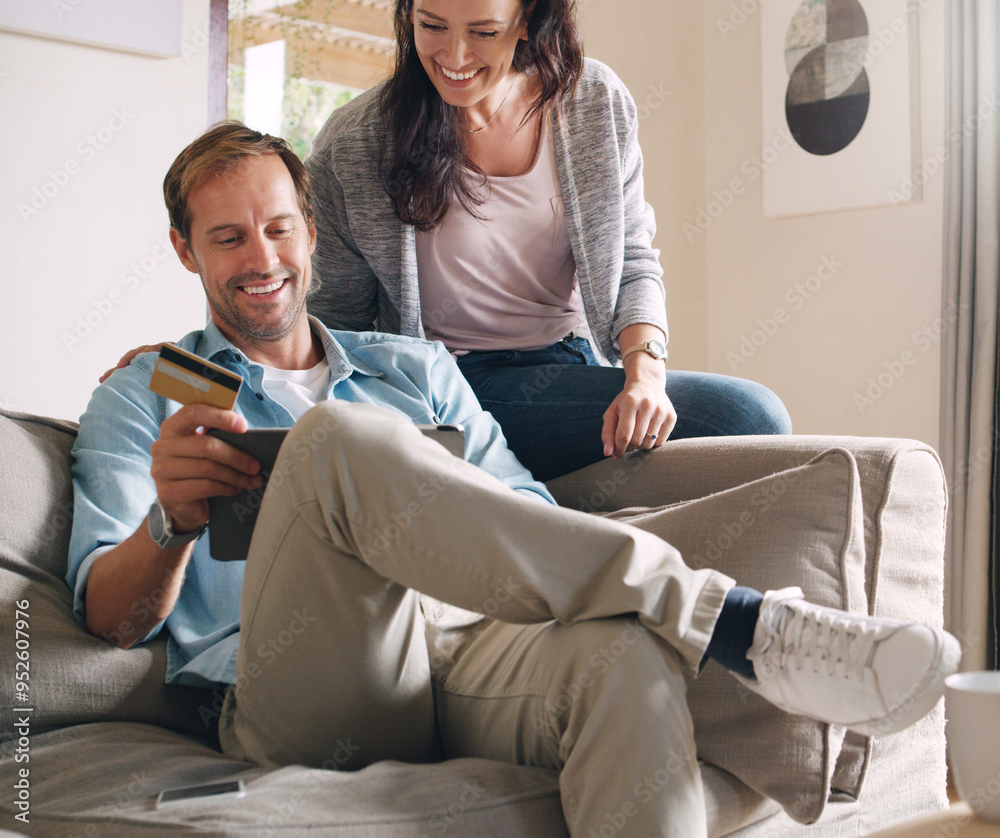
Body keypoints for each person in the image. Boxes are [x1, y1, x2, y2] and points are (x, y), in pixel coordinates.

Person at [68, 122, 958, 838]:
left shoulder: (415, 369)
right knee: (334, 440)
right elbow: (108, 618)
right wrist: (172, 527)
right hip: (302, 687)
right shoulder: (143, 397)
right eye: (227, 238)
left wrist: (435, 520)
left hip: (464, 649)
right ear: (187, 253)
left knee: (624, 656)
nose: (260, 257)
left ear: (310, 231)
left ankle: (701, 622)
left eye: (276, 227)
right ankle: (736, 622)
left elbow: (525, 515)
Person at [304, 0, 792, 482]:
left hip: (570, 365)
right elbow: (335, 322)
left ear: (527, 16)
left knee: (754, 415)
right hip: (442, 383)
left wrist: (644, 378)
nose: (454, 58)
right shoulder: (356, 143)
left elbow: (633, 259)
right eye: (432, 26)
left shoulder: (593, 104)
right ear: (408, 10)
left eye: (482, 32)